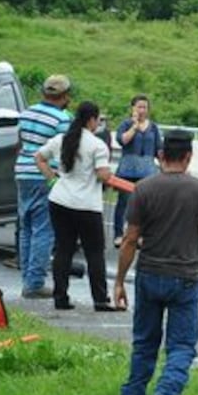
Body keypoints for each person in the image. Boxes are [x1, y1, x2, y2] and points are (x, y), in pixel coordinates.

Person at [115, 130, 198, 395]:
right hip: (184, 277)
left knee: (144, 344)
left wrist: (120, 281)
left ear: (161, 156)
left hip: (149, 274)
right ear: (188, 156)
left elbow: (130, 239)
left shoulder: (143, 190)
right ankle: (166, 393)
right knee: (182, 345)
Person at [35, 101, 115, 312]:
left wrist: (52, 179)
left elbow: (39, 157)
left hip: (60, 199)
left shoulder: (62, 139)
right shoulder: (98, 145)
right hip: (87, 205)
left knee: (64, 249)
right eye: (98, 119)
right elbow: (102, 175)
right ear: (91, 120)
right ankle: (100, 299)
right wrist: (109, 176)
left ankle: (60, 297)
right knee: (95, 253)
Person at [15, 75, 72, 299]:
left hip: (22, 171)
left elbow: (20, 140)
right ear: (65, 96)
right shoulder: (62, 119)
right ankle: (35, 282)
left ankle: (27, 279)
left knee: (26, 227)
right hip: (45, 174)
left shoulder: (26, 112)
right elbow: (66, 150)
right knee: (43, 229)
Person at [113, 94, 161, 248]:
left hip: (147, 170)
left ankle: (141, 235)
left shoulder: (153, 127)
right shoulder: (126, 124)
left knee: (146, 205)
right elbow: (123, 140)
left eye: (145, 107)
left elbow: (158, 149)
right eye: (139, 107)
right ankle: (119, 234)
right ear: (132, 108)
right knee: (123, 202)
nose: (142, 110)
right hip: (128, 168)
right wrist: (134, 125)